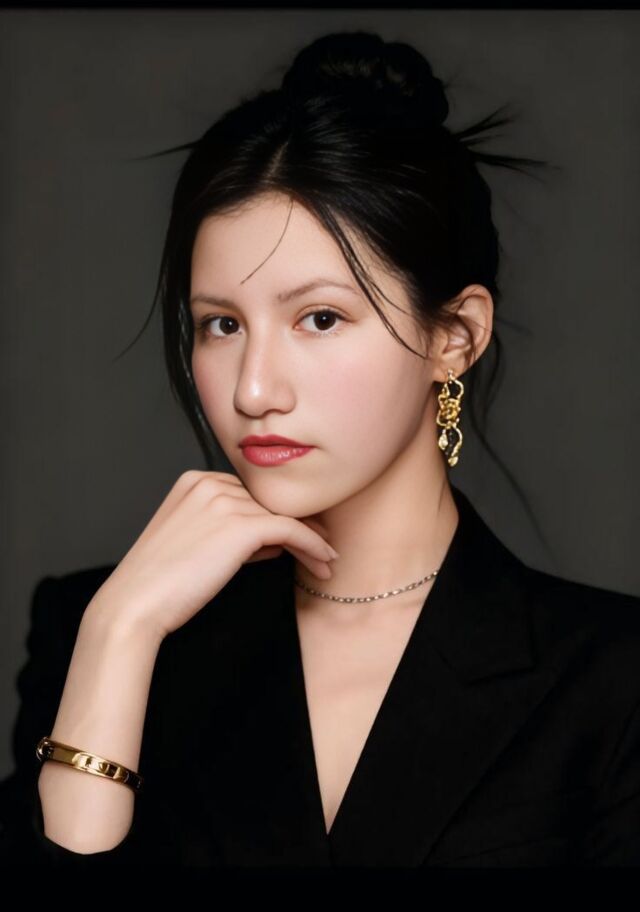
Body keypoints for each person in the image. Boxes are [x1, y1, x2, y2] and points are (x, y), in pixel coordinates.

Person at [1, 30, 639, 868]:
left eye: (320, 318)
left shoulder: (612, 681)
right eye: (221, 324)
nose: (253, 389)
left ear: (455, 336)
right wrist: (119, 632)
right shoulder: (105, 636)